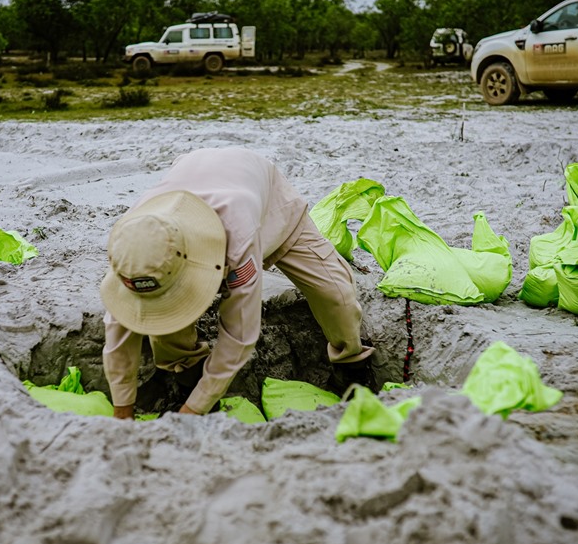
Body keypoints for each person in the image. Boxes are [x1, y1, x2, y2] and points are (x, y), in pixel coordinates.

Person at [100, 147, 375, 419]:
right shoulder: (134, 246)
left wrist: (193, 412)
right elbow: (119, 330)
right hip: (190, 177)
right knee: (164, 318)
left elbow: (240, 335)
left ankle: (351, 368)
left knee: (334, 293)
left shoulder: (237, 237)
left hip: (263, 196)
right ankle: (187, 378)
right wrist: (122, 411)